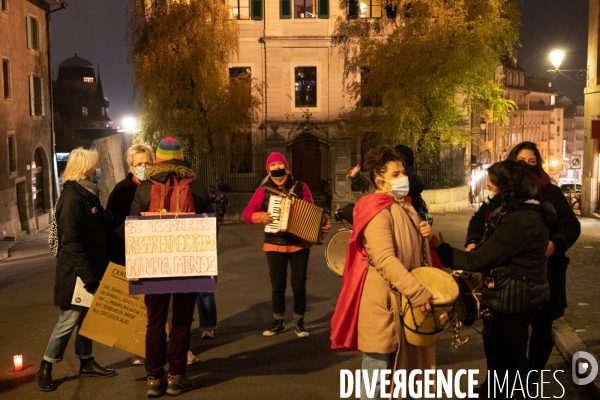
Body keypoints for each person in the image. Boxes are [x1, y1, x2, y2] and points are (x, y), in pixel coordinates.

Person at [430, 159, 555, 399]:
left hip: (514, 297)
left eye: (492, 187)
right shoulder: (520, 210)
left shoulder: (520, 220)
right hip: (517, 293)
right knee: (502, 359)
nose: (489, 191)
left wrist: (442, 248)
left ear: (507, 188)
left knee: (509, 359)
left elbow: (479, 259)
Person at [464, 142, 580, 387]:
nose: (526, 166)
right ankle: (498, 379)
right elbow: (478, 220)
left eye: (532, 161)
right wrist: (473, 242)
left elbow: (571, 226)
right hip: (506, 280)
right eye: (520, 162)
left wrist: (554, 244)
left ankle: (529, 379)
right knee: (498, 332)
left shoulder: (551, 193)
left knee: (541, 331)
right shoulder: (504, 193)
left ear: (538, 163)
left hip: (545, 274)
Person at [330, 146, 434, 400]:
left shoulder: (404, 206)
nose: (403, 178)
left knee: (404, 373)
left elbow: (414, 254)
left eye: (403, 172)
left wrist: (424, 237)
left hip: (404, 300)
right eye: (396, 174)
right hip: (383, 303)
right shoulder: (376, 210)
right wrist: (417, 292)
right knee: (376, 374)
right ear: (379, 181)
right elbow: (386, 259)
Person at [130, 137, 215, 398]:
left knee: (154, 323)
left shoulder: (144, 189)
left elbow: (131, 226)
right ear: (181, 159)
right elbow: (212, 229)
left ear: (157, 160)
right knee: (181, 323)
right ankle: (176, 378)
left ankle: (154, 380)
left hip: (153, 266)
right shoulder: (198, 188)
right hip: (189, 264)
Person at [37, 148, 117, 392]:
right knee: (69, 319)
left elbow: (102, 220)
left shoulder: (88, 194)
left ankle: (87, 360)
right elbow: (70, 243)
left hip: (88, 269)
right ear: (85, 169)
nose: (98, 169)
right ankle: (46, 365)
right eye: (95, 165)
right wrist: (90, 277)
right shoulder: (73, 197)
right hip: (76, 274)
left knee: (86, 317)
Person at [243, 152, 330, 338]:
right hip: (274, 244)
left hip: (299, 244)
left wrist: (322, 225)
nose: (276, 168)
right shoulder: (263, 191)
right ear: (268, 170)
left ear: (286, 167)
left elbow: (312, 213)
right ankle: (278, 321)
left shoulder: (301, 187)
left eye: (279, 165)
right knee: (278, 285)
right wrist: (261, 217)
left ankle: (300, 321)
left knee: (299, 285)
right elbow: (247, 214)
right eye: (272, 166)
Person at [106, 143, 155, 266]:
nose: (143, 167)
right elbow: (111, 226)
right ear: (131, 168)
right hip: (127, 255)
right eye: (139, 164)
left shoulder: (160, 188)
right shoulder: (121, 190)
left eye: (147, 163)